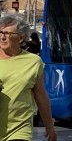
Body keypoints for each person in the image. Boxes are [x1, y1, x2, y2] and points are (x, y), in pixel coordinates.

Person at [0, 13, 57, 141]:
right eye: (1, 32)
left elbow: (41, 95)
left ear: (21, 38)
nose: (2, 37)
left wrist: (50, 127)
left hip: (19, 129)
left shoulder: (33, 62)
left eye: (8, 34)